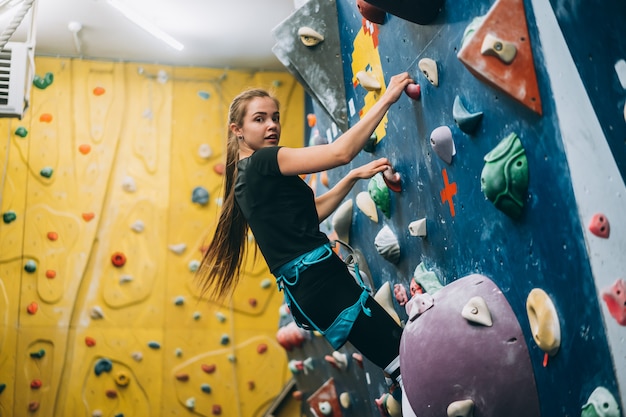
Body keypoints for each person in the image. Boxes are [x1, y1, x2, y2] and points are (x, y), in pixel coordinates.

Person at [196, 72, 414, 394]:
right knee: (402, 362)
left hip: (310, 288)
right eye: (260, 119)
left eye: (275, 117)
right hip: (321, 279)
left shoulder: (244, 179)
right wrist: (387, 98)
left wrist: (351, 178)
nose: (272, 125)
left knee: (395, 362)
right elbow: (339, 152)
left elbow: (309, 216)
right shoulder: (265, 161)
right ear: (237, 130)